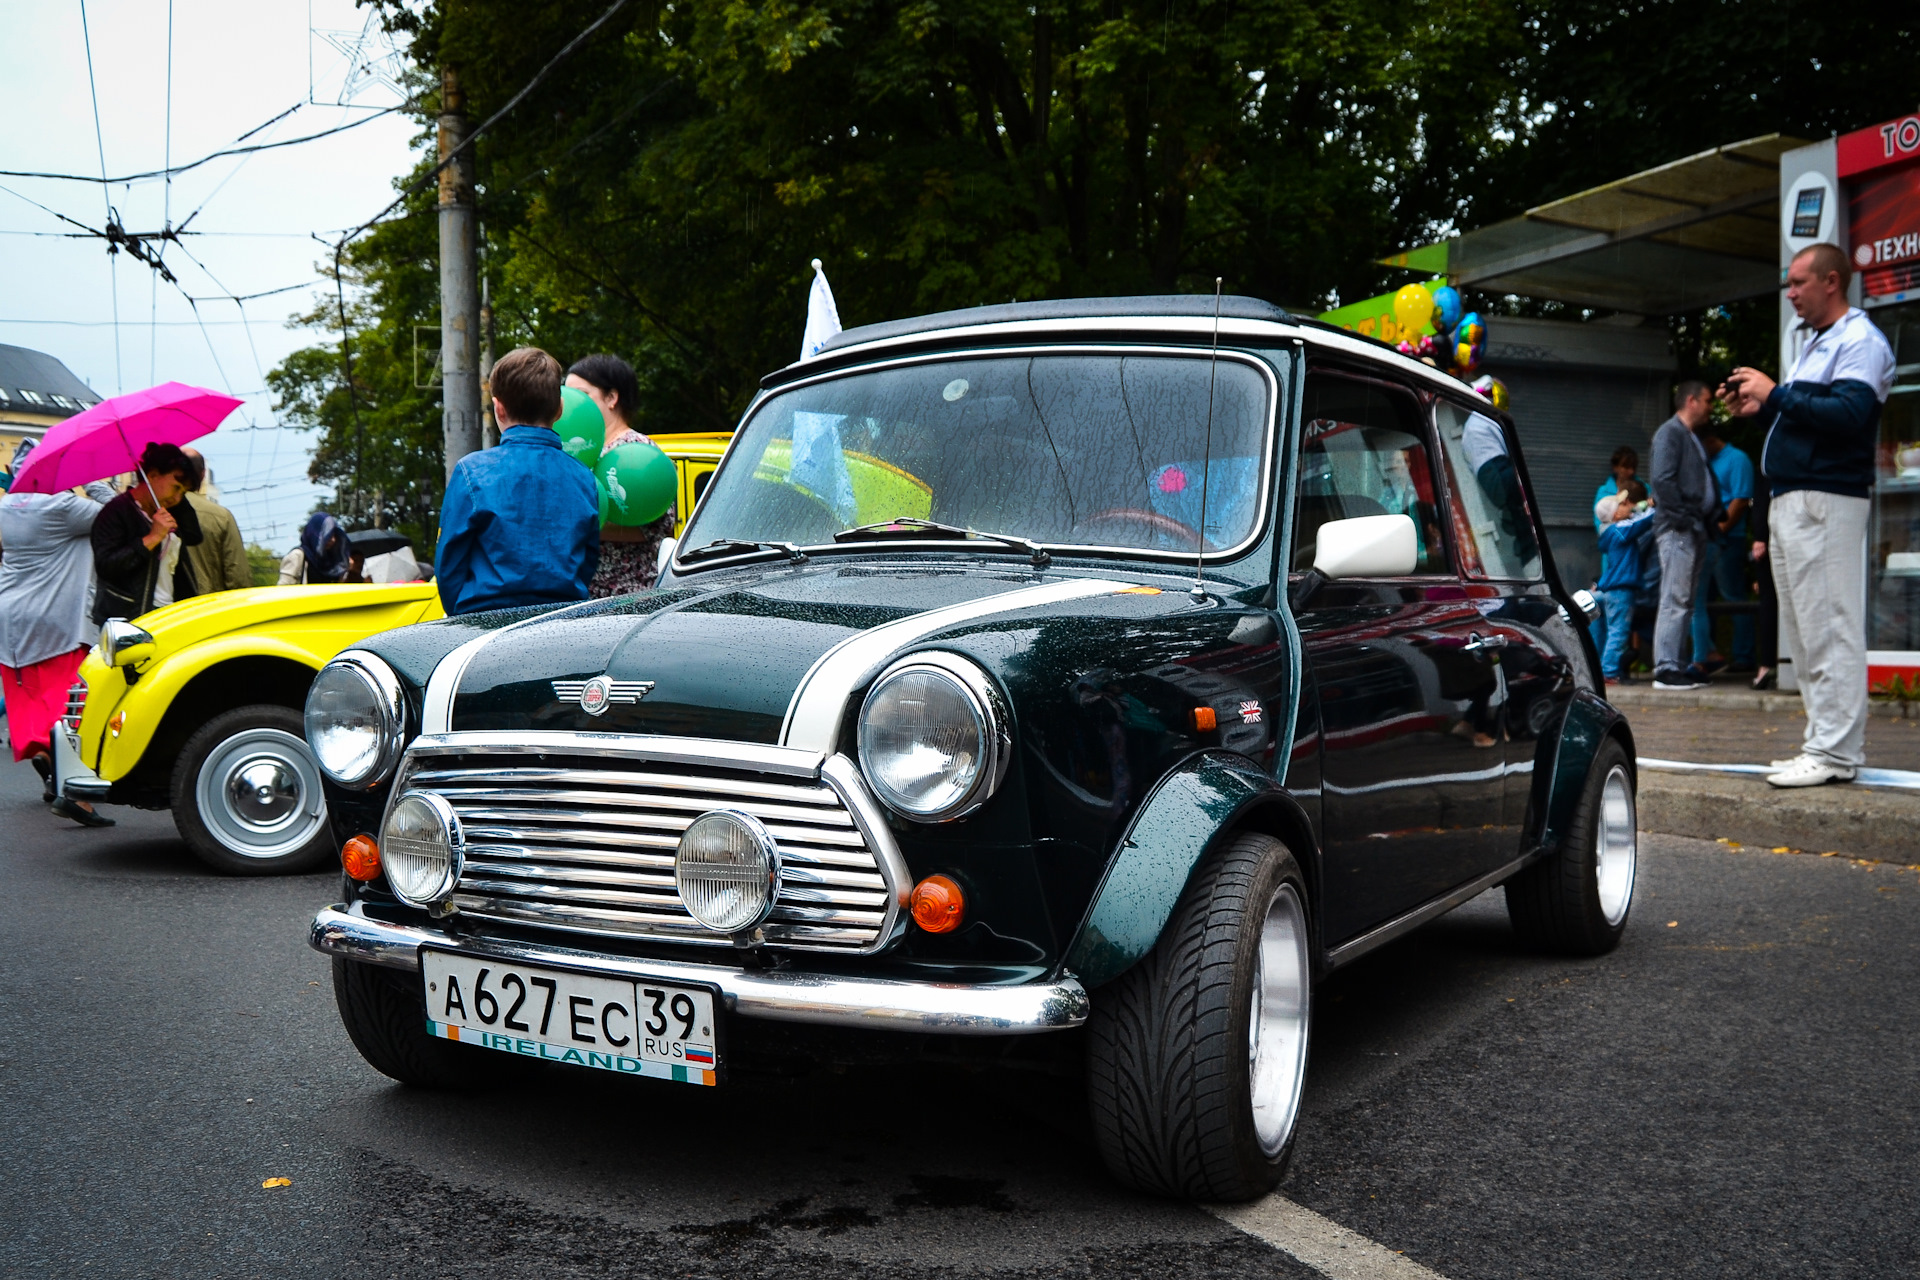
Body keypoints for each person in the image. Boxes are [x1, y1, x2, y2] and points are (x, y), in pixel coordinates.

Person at [1722, 242, 1895, 787]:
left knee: (1830, 626)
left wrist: (1775, 394)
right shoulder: (1819, 343)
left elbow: (1848, 416)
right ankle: (1823, 745)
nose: (1791, 293)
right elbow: (1809, 421)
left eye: (1798, 282)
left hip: (1827, 499)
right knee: (1804, 630)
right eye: (1789, 284)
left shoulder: (1860, 340)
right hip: (1796, 498)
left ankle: (1836, 753)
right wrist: (1762, 409)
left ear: (1832, 281)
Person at [0, 440, 115, 827]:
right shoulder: (63, 507)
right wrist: (93, 477)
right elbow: (115, 516)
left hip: (10, 618)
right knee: (67, 707)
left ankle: (46, 757)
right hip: (55, 619)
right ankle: (75, 793)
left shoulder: (4, 507)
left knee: (28, 697)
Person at [436, 347, 599, 616]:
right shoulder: (583, 476)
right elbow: (588, 559)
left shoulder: (471, 471)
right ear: (559, 409)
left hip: (485, 621)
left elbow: (450, 563)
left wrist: (463, 617)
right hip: (563, 621)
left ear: (498, 408)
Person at [567, 353, 677, 598]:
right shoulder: (581, 450)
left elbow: (657, 527)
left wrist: (578, 523)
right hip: (585, 593)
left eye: (583, 395)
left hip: (625, 596)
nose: (572, 404)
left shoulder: (637, 452)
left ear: (612, 397)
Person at [1646, 381, 1719, 690]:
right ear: (1691, 401)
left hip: (1692, 527)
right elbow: (1662, 480)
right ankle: (1665, 667)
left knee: (1684, 599)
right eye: (1707, 401)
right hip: (1679, 528)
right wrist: (1684, 518)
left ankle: (1676, 663)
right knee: (1676, 597)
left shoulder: (1688, 436)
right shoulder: (1670, 433)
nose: (1711, 407)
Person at [90, 442, 203, 626]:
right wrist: (152, 538)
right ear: (152, 475)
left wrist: (178, 501)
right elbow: (106, 566)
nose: (177, 498)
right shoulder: (116, 512)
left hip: (171, 614)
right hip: (131, 620)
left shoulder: (170, 511)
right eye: (175, 487)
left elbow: (194, 536)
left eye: (183, 492)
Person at [1687, 424, 1756, 674]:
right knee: (1702, 600)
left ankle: (1744, 655)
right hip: (1707, 539)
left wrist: (1720, 531)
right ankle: (1708, 653)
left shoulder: (1737, 459)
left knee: (1733, 596)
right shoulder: (1706, 462)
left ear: (1709, 440)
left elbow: (1741, 501)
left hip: (1728, 539)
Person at [1593, 480, 1654, 684]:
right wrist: (1655, 507)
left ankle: (1608, 668)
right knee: (1619, 632)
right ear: (1615, 514)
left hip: (1614, 589)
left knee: (1615, 631)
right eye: (1622, 505)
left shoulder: (1610, 532)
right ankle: (1609, 672)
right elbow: (1641, 522)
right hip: (1621, 589)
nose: (1627, 505)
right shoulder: (1620, 530)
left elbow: (1634, 517)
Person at [179, 448, 252, 594]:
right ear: (203, 474)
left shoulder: (156, 512)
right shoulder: (221, 516)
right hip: (209, 607)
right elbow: (238, 578)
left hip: (164, 612)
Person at [278, 512, 365, 585]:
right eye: (328, 534)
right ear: (316, 535)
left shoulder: (333, 561)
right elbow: (283, 591)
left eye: (334, 535)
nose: (333, 540)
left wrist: (346, 570)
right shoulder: (298, 557)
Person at [1593, 446, 1640, 533]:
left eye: (1633, 467)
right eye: (1626, 467)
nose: (1631, 471)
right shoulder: (1604, 491)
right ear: (1615, 467)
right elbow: (1599, 524)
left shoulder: (1645, 489)